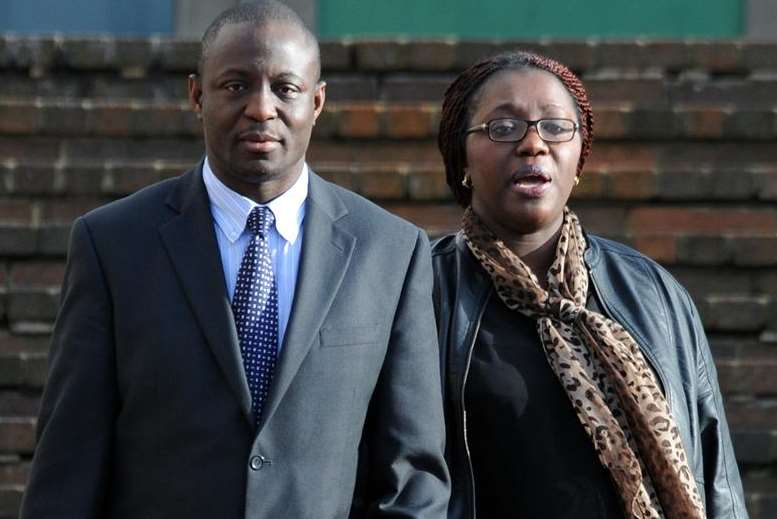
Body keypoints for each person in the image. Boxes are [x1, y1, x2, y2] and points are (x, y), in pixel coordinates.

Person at [20, 2, 450, 518]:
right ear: (197, 95)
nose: (261, 108)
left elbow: (413, 476)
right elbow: (68, 463)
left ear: (316, 102)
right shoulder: (112, 245)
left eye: (285, 88)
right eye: (236, 85)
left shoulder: (391, 251)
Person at [432, 50, 748, 519]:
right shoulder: (422, 291)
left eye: (556, 127)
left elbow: (715, 467)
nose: (533, 145)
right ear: (461, 156)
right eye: (503, 128)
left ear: (580, 159)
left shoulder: (653, 292)